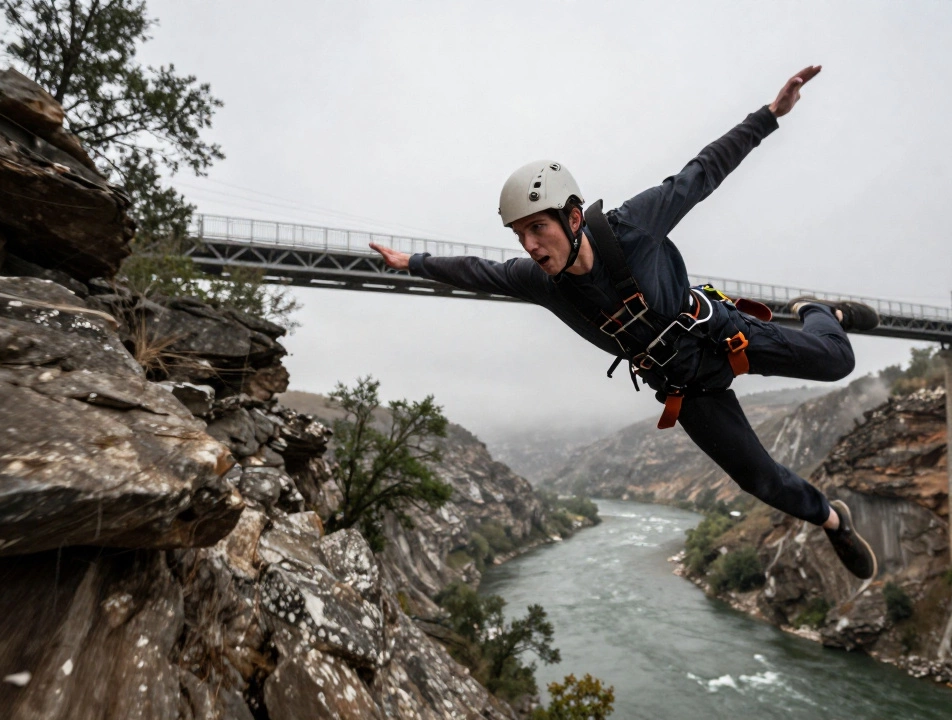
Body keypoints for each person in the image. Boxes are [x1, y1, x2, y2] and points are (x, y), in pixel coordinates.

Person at [370, 66, 879, 580]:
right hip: (686, 386)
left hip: (721, 335)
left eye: (538, 228)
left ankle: (820, 311)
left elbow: (703, 172)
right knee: (761, 481)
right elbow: (479, 272)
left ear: (572, 219)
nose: (528, 245)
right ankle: (834, 520)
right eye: (519, 234)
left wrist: (769, 115)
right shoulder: (541, 282)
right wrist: (412, 263)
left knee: (839, 361)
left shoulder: (634, 227)